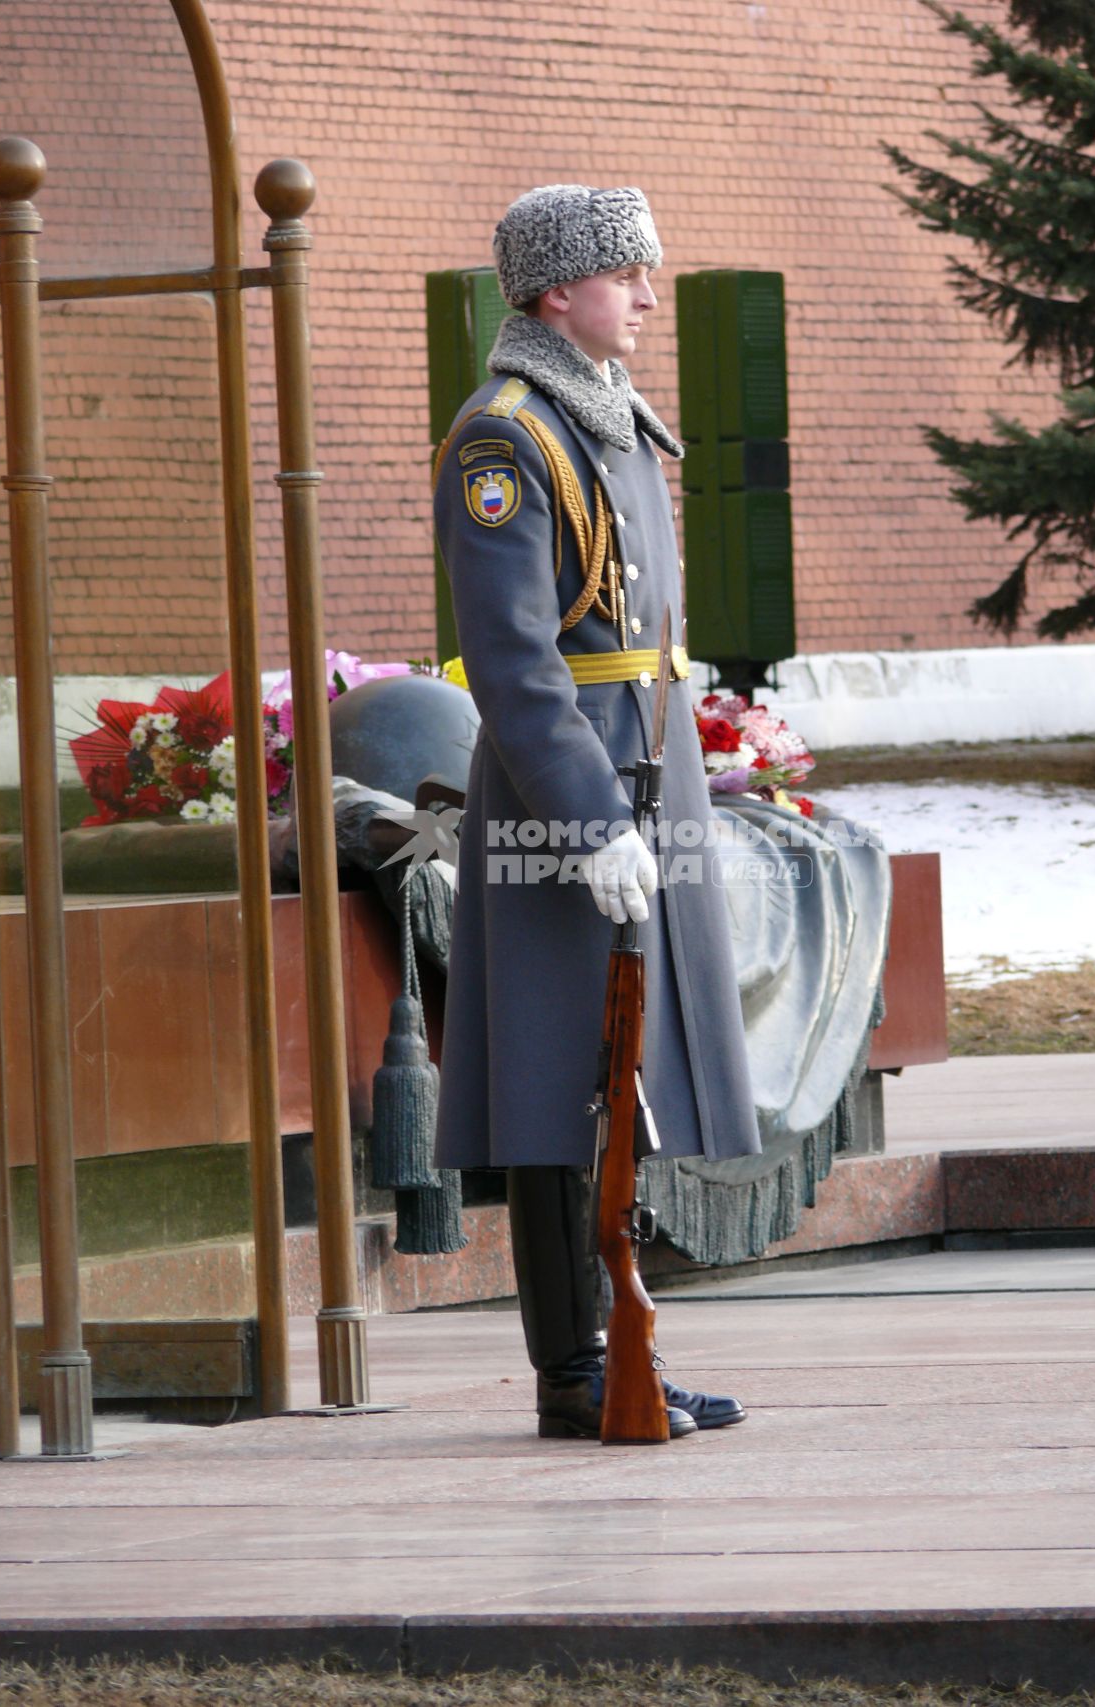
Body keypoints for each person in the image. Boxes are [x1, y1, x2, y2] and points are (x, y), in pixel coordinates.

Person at [432, 185, 760, 1440]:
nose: (646, 293)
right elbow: (516, 665)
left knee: (610, 1085)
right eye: (626, 272)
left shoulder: (606, 418)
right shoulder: (506, 437)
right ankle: (574, 1372)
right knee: (554, 1088)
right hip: (566, 800)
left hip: (644, 777)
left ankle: (612, 1353)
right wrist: (587, 823)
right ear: (556, 291)